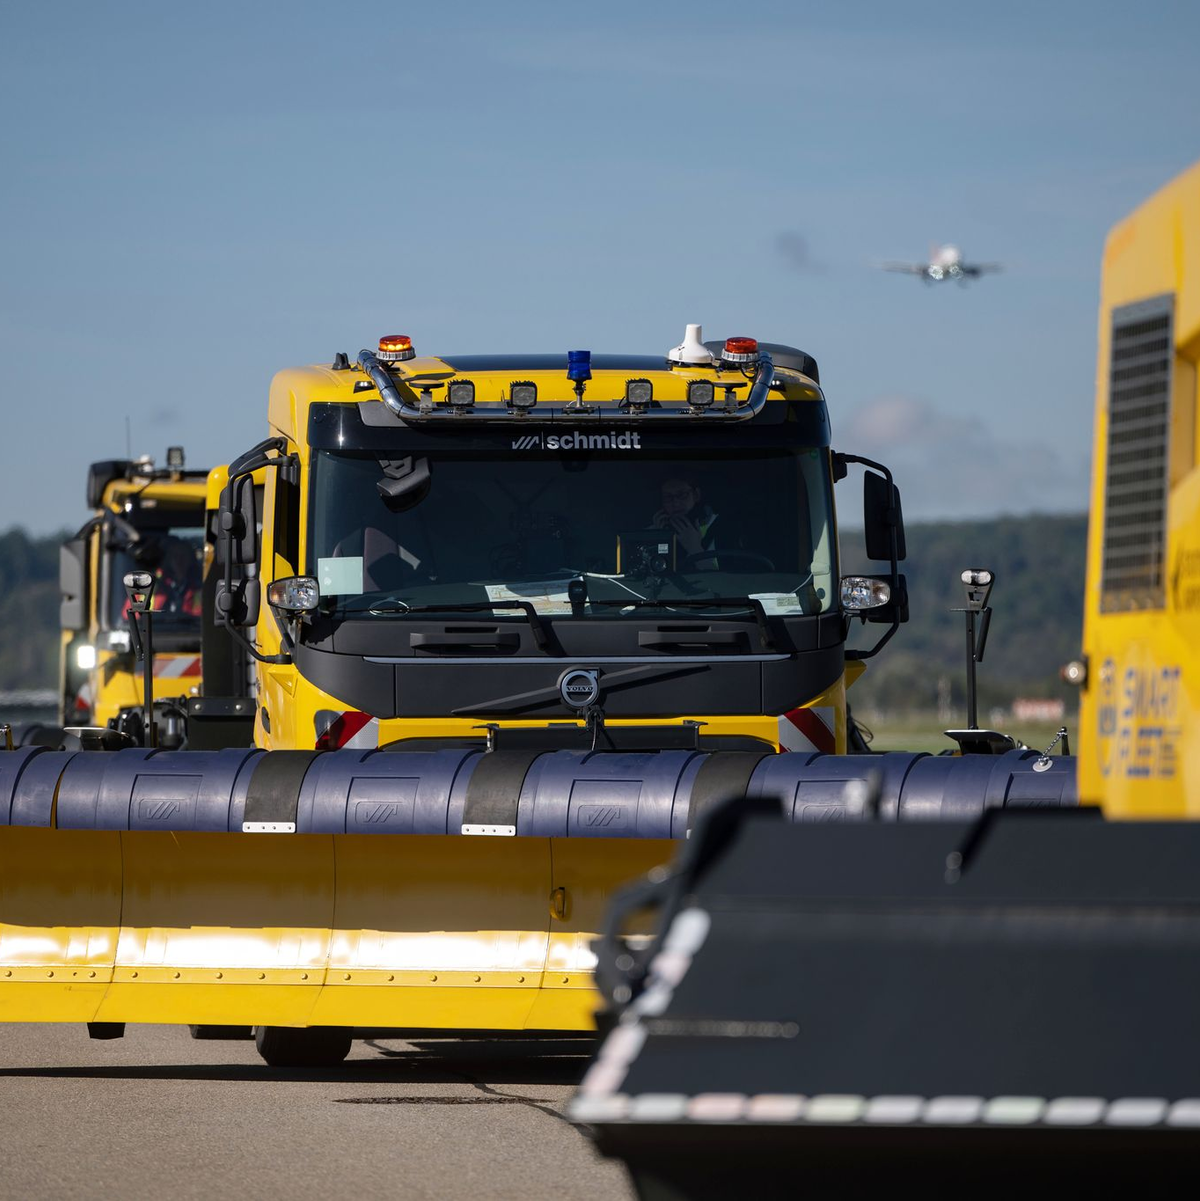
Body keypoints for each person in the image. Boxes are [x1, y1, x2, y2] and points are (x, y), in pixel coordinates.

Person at [652, 475, 724, 569]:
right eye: (668, 497)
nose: (676, 503)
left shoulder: (721, 529)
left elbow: (722, 577)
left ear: (696, 495)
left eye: (682, 495)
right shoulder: (652, 531)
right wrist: (660, 540)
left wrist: (695, 548)